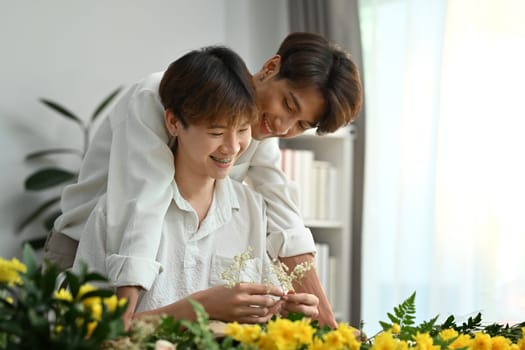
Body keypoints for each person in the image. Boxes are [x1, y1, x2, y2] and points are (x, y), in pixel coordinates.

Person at [44, 32, 363, 327]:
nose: (283, 126)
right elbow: (142, 206)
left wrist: (328, 324)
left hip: (161, 262)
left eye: (301, 124)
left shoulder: (259, 128)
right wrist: (124, 321)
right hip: (88, 247)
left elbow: (286, 220)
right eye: (288, 104)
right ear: (270, 67)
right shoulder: (156, 96)